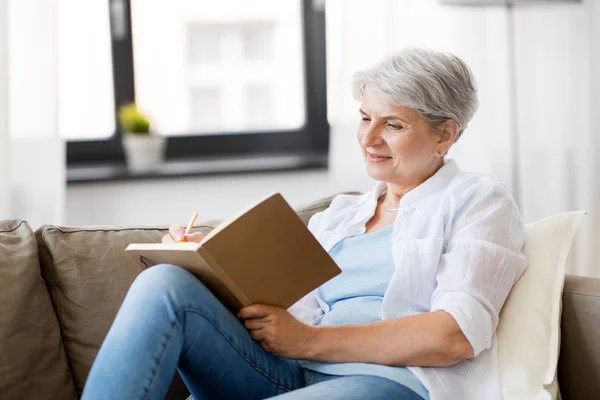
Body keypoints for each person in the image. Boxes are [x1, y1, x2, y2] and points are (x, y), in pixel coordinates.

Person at [82, 48, 527, 400]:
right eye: (365, 118)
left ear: (445, 135)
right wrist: (208, 265)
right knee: (164, 284)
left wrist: (308, 342)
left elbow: (454, 336)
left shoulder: (477, 201)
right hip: (283, 372)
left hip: (387, 383)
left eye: (392, 124)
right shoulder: (340, 215)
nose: (369, 139)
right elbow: (279, 317)